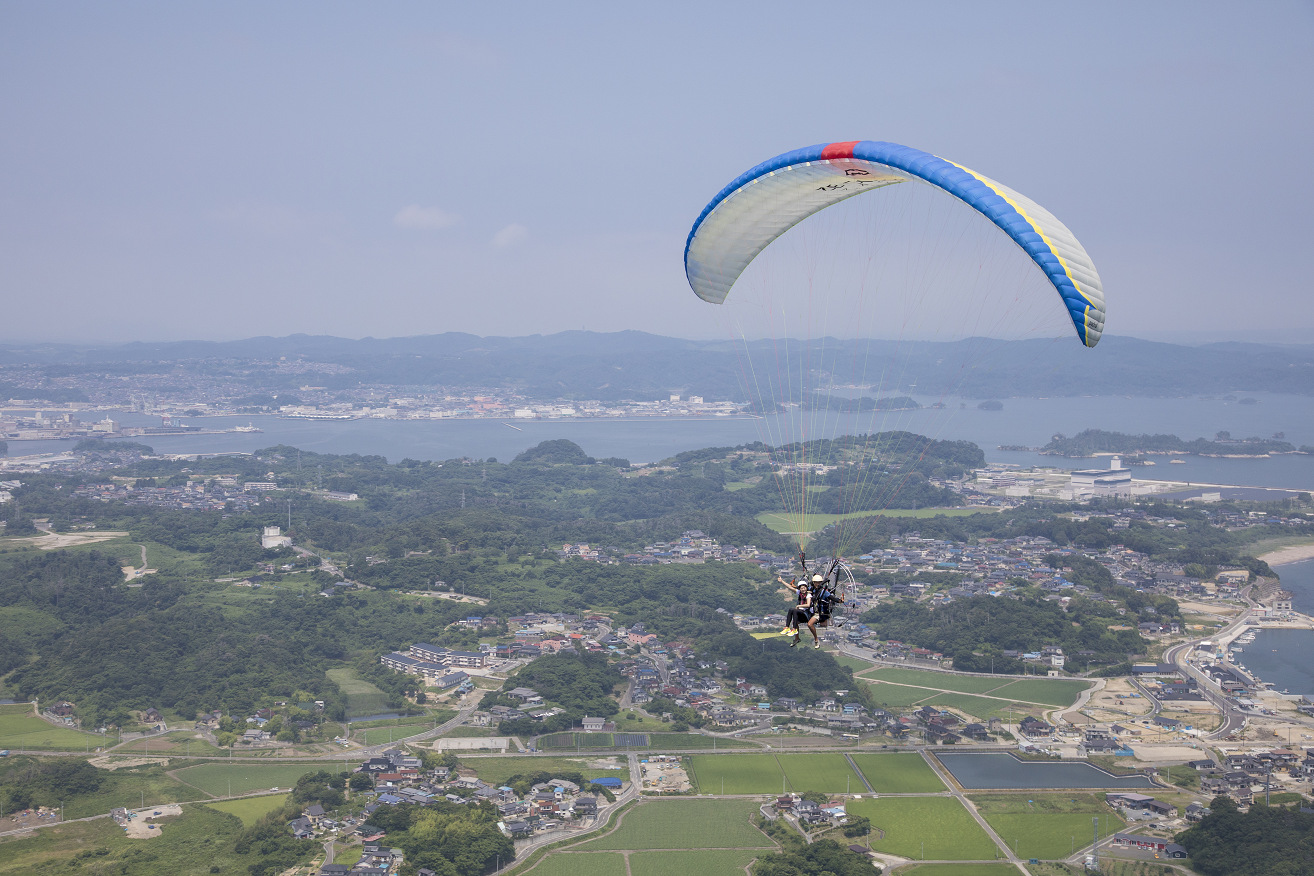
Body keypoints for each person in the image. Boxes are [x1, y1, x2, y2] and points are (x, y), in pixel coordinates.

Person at [804, 571, 844, 649]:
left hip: (820, 613)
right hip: (812, 611)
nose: (817, 584)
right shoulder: (811, 589)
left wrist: (840, 601)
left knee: (809, 624)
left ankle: (816, 639)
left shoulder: (824, 592)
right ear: (813, 583)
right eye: (816, 582)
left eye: (819, 583)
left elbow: (832, 598)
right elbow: (802, 589)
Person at [778, 575, 812, 645]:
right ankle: (787, 627)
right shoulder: (799, 593)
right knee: (791, 609)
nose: (803, 589)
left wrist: (799, 606)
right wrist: (782, 581)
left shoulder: (808, 595)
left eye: (804, 588)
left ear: (806, 588)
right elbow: (790, 587)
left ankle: (794, 629)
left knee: (795, 610)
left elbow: (808, 605)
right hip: (800, 613)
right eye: (801, 588)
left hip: (806, 614)